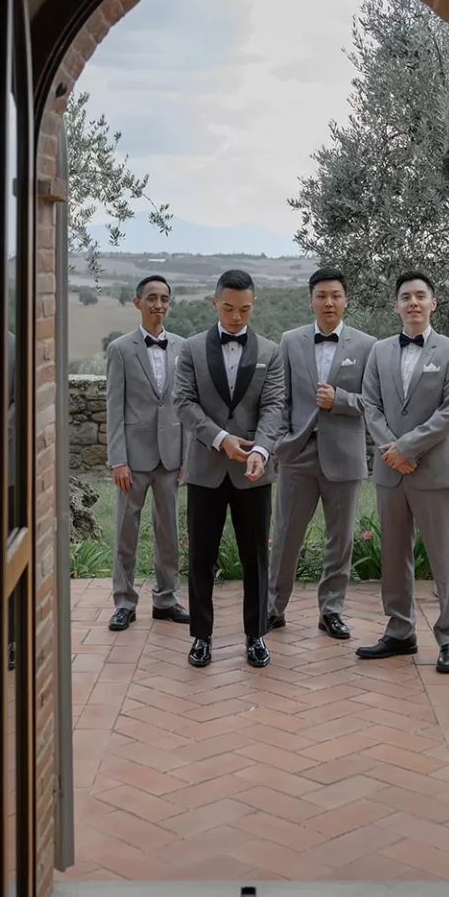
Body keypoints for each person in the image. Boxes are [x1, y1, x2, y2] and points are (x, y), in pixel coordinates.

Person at [357, 271, 449, 674]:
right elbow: (370, 405)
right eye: (406, 297)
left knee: (444, 558)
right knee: (393, 557)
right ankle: (399, 630)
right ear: (396, 305)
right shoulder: (379, 351)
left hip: (434, 471)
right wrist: (393, 452)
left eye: (421, 296)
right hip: (391, 473)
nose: (413, 303)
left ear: (433, 303)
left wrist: (407, 448)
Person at [173, 269, 284, 670]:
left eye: (245, 309)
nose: (237, 317)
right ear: (214, 303)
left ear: (254, 305)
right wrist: (220, 438)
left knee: (256, 557)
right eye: (228, 308)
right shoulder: (190, 349)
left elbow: (274, 407)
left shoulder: (270, 352)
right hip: (206, 467)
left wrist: (263, 450)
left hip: (254, 471)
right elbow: (183, 403)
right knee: (201, 556)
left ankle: (255, 636)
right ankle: (201, 637)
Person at [266, 269, 375, 640]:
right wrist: (281, 441)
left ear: (345, 300)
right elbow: (279, 397)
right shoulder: (290, 340)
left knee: (340, 539)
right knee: (285, 536)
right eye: (321, 295)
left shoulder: (366, 345)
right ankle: (273, 607)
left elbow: (373, 403)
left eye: (336, 295)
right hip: (297, 453)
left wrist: (339, 401)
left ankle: (331, 611)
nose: (329, 302)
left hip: (344, 457)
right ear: (310, 300)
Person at [105, 275, 188, 631]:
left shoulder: (184, 348)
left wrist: (186, 457)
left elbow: (186, 405)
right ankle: (124, 601)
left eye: (164, 299)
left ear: (170, 304)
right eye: (151, 298)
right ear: (137, 303)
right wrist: (118, 459)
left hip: (171, 458)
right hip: (133, 459)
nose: (158, 304)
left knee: (168, 531)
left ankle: (166, 599)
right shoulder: (121, 349)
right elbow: (114, 408)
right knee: (127, 531)